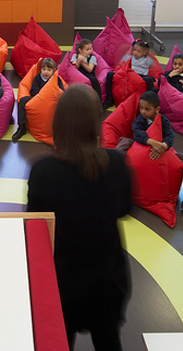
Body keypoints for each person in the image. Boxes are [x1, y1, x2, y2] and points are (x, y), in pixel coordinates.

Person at [27, 84, 131, 350]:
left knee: (59, 342)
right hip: (108, 281)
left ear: (59, 123)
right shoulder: (116, 163)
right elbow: (124, 209)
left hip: (61, 284)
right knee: (109, 342)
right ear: (95, 122)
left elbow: (37, 227)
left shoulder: (43, 172)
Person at [125, 91, 183, 220]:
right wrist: (151, 142)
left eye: (147, 109)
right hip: (143, 149)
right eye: (141, 108)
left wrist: (163, 146)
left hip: (164, 150)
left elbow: (169, 136)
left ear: (157, 109)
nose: (143, 112)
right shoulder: (140, 120)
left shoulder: (163, 120)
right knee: (122, 149)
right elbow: (137, 133)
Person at [12, 58, 64, 142]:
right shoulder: (37, 78)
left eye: (49, 70)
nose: (46, 72)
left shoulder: (56, 79)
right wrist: (43, 94)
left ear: (53, 71)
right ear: (40, 70)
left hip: (51, 102)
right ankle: (21, 127)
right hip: (37, 100)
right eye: (44, 69)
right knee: (22, 101)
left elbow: (62, 91)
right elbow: (33, 91)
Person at [104, 39, 156, 108]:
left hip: (139, 76)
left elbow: (155, 70)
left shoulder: (147, 60)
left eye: (138, 51)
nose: (135, 53)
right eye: (134, 50)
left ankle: (150, 102)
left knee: (149, 79)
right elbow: (121, 65)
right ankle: (109, 100)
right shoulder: (129, 57)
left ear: (144, 52)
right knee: (109, 75)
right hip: (127, 75)